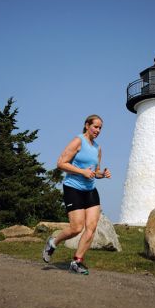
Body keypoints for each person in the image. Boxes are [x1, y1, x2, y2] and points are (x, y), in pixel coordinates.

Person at [42, 114, 111, 275]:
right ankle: (53, 242)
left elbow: (94, 171)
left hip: (90, 190)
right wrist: (82, 172)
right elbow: (60, 163)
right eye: (95, 126)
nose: (98, 130)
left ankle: (77, 261)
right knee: (76, 228)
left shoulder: (97, 148)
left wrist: (102, 174)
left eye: (100, 128)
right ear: (87, 125)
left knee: (91, 227)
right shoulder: (78, 141)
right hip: (73, 188)